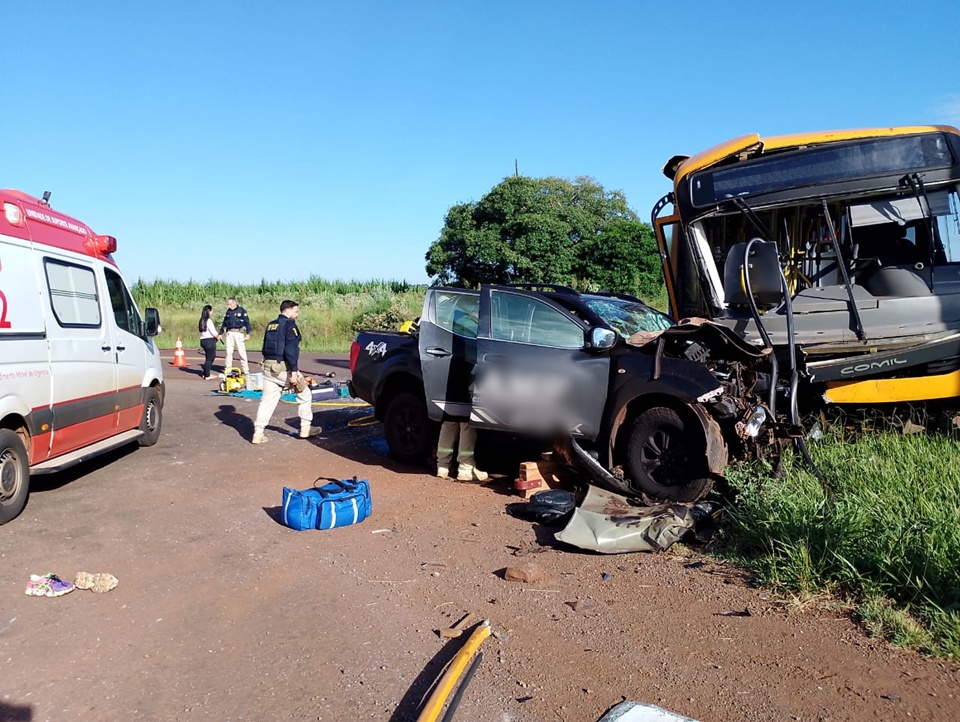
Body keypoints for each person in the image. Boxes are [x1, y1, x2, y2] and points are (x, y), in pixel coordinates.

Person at [252, 300, 320, 444]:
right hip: (284, 369)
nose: (297, 314)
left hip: (268, 368)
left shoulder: (271, 325)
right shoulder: (289, 326)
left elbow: (266, 347)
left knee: (267, 401)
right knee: (305, 394)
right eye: (296, 311)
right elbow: (291, 351)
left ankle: (258, 433)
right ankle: (305, 428)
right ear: (288, 310)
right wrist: (294, 372)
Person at [220, 297, 252, 376]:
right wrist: (220, 333)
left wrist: (248, 333)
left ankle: (246, 370)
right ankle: (228, 369)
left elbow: (247, 322)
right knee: (229, 352)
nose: (229, 306)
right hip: (230, 333)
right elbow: (224, 323)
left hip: (239, 333)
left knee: (242, 352)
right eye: (228, 304)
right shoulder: (228, 312)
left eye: (230, 304)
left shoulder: (241, 311)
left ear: (234, 303)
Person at [198, 305, 221, 380]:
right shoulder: (208, 321)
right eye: (211, 311)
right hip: (209, 341)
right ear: (209, 311)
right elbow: (213, 332)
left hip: (203, 340)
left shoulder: (201, 320)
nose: (212, 312)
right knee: (210, 358)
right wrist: (218, 336)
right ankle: (207, 375)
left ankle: (205, 373)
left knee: (208, 358)